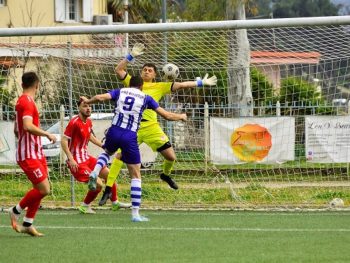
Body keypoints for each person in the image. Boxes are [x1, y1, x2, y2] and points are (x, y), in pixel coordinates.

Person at [98, 43, 217, 205]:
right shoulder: (133, 83)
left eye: (150, 70)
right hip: (133, 127)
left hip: (152, 127)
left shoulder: (160, 86)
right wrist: (130, 56)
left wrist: (200, 83)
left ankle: (166, 175)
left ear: (155, 75)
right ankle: (108, 189)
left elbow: (181, 85)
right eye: (144, 69)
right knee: (119, 157)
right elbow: (119, 70)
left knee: (171, 156)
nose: (146, 71)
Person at [81, 75, 187, 222]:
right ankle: (135, 214)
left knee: (107, 152)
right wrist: (181, 116)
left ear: (129, 84)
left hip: (114, 130)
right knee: (136, 175)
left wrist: (87, 101)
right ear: (141, 86)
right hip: (130, 136)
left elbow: (99, 97)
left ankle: (94, 172)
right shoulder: (146, 98)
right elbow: (167, 116)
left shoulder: (120, 91)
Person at [61, 99, 131, 214]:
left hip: (86, 158)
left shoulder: (88, 122)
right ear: (78, 108)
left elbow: (90, 137)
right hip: (77, 162)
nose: (88, 108)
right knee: (98, 184)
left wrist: (103, 146)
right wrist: (71, 159)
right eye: (84, 106)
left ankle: (115, 203)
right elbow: (63, 140)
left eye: (89, 106)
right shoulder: (74, 122)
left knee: (110, 175)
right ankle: (85, 206)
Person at [9, 72, 57, 237]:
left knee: (40, 188)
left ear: (22, 84)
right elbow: (28, 126)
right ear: (37, 85)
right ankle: (15, 210)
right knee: (44, 189)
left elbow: (17, 129)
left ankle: (28, 224)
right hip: (28, 155)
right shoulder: (28, 102)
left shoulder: (21, 101)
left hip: (36, 153)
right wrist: (47, 134)